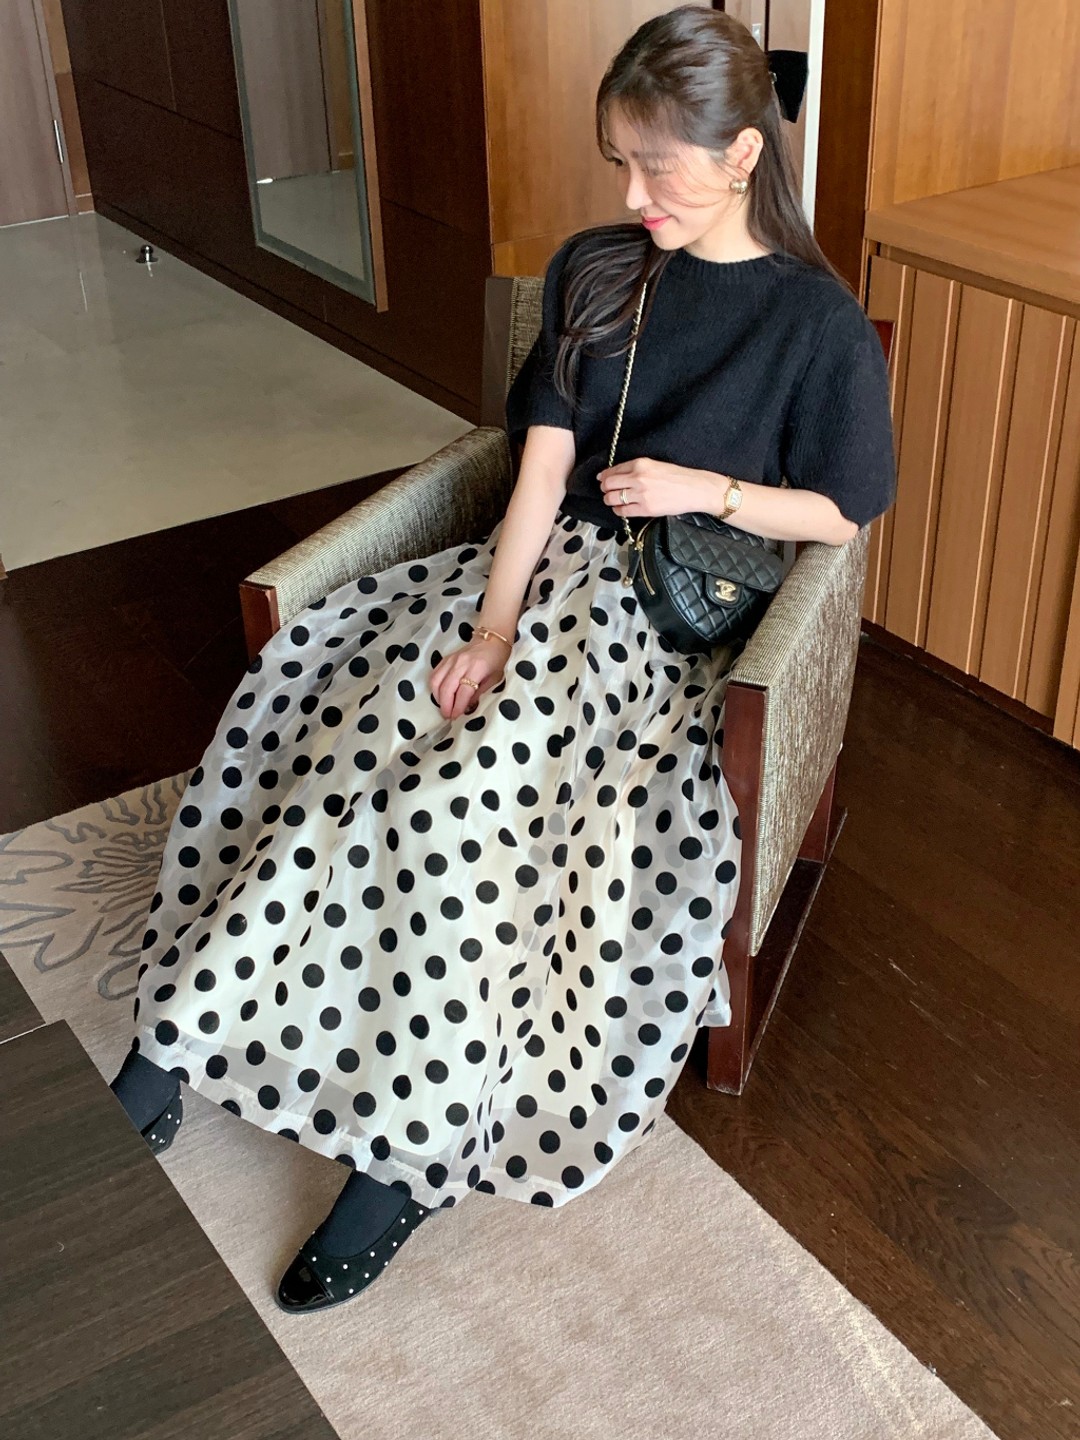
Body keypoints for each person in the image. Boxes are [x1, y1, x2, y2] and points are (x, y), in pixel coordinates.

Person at [109, 5, 896, 1315]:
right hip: (532, 588)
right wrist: (489, 627)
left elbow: (844, 508)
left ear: (746, 154)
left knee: (456, 803)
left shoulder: (817, 325)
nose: (631, 197)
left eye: (657, 167)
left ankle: (401, 1157)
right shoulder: (599, 271)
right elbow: (535, 476)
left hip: (651, 628)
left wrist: (706, 487)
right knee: (353, 740)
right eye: (620, 164)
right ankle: (180, 1035)